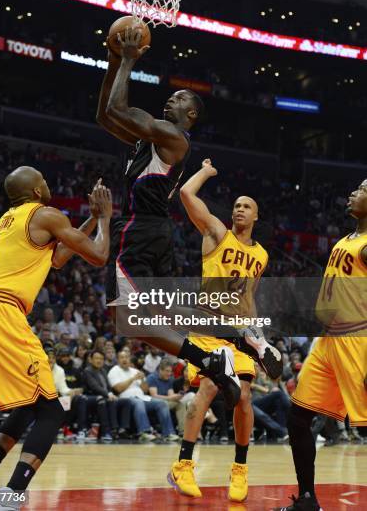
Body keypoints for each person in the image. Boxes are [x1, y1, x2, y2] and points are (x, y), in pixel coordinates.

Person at [96, 26, 258, 401]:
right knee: (162, 314)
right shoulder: (154, 138)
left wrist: (129, 60)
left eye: (177, 99)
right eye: (169, 97)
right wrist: (112, 62)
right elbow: (106, 116)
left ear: (190, 113)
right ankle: (240, 336)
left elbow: (118, 108)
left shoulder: (173, 137)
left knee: (127, 320)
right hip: (156, 232)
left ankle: (209, 359)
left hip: (137, 228)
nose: (169, 101)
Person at [0, 167, 112, 510]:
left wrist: (86, 223)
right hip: (1, 313)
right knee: (52, 411)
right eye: (44, 179)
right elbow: (99, 255)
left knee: (31, 403)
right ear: (37, 189)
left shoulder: (10, 219)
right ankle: (11, 496)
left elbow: (57, 259)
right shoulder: (46, 214)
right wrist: (104, 219)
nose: (48, 183)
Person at [168, 159, 275, 502]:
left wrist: (260, 340)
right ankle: (183, 464)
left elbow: (250, 300)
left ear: (256, 216)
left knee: (244, 398)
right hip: (207, 326)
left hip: (239, 331)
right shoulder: (216, 231)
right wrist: (207, 172)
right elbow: (185, 192)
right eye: (236, 206)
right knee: (211, 387)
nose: (240, 210)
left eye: (247, 207)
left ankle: (240, 469)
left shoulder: (261, 254)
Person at [275, 180, 367, 511]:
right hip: (329, 341)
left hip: (358, 341)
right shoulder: (347, 239)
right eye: (355, 188)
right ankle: (308, 500)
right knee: (298, 418)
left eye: (362, 189)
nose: (353, 193)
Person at [108, 350, 178, 442]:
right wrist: (133, 379)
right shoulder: (114, 371)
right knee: (139, 402)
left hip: (142, 397)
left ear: (130, 359)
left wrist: (142, 381)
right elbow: (118, 389)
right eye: (122, 357)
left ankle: (168, 433)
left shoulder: (135, 371)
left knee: (162, 403)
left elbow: (145, 390)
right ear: (117, 360)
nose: (125, 359)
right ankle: (144, 432)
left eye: (127, 357)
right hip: (126, 400)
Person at [82, 350, 132, 440]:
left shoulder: (103, 371)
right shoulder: (87, 371)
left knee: (126, 401)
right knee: (110, 401)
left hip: (106, 396)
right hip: (93, 397)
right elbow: (95, 387)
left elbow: (108, 387)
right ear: (91, 360)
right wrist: (108, 394)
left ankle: (123, 429)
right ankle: (112, 430)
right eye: (96, 358)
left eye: (101, 359)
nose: (99, 361)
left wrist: (112, 394)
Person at [146, 358, 195, 436]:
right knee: (163, 403)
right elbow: (154, 395)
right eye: (167, 371)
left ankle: (182, 431)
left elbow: (170, 395)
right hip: (154, 403)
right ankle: (169, 432)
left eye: (170, 371)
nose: (169, 373)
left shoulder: (170, 379)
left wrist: (178, 396)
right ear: (160, 370)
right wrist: (170, 398)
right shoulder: (152, 377)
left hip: (165, 401)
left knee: (180, 403)